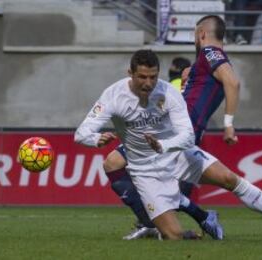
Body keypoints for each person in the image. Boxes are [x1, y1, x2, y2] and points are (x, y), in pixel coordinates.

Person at [76, 49, 221, 240]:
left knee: (164, 189)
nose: (148, 82)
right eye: (143, 77)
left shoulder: (170, 89)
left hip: (171, 142)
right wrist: (95, 138)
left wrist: (228, 123)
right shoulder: (116, 94)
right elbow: (81, 133)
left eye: (153, 77)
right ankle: (152, 222)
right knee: (113, 163)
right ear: (131, 73)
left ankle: (182, 219)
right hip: (142, 143)